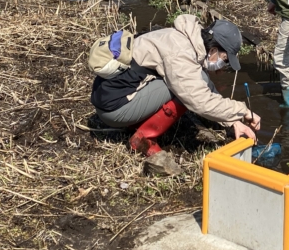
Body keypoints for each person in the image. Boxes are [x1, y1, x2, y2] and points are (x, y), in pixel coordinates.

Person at [91, 16, 260, 160]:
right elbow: (199, 100)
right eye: (225, 59)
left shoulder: (182, 37)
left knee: (194, 81)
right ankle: (144, 137)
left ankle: (138, 120)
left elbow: (201, 86)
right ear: (214, 49)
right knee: (185, 92)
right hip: (115, 110)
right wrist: (241, 110)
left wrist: (232, 120)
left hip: (112, 95)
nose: (223, 66)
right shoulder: (180, 53)